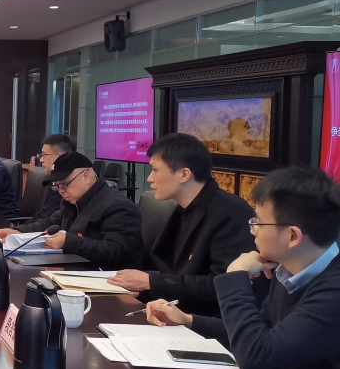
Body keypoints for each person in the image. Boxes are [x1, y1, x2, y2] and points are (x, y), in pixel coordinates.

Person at [145, 167, 340, 369]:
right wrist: (189, 321)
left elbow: (256, 356)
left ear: (292, 236)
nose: (252, 230)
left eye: (258, 222)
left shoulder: (333, 292)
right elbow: (261, 332)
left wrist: (234, 276)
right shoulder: (288, 269)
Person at [108, 133, 259, 315]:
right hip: (176, 310)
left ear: (184, 174)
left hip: (209, 321)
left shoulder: (230, 212)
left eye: (155, 170)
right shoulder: (183, 208)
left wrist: (151, 282)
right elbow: (173, 273)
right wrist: (143, 287)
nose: (150, 178)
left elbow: (223, 284)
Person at [0, 152, 142, 268]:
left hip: (106, 279)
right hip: (72, 268)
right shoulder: (72, 202)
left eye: (64, 184)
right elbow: (49, 224)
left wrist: (68, 242)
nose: (61, 191)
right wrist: (19, 232)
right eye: (57, 187)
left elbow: (117, 250)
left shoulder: (118, 206)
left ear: (86, 176)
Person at [33, 134, 75, 223]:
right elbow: (43, 213)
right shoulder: (51, 178)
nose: (41, 160)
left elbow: (49, 219)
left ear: (59, 157)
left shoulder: (67, 182)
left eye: (44, 155)